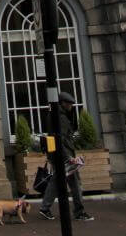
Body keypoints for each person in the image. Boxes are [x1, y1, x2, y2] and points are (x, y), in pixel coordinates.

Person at [38, 92, 94, 222]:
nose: (71, 106)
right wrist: (68, 157)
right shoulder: (60, 117)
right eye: (69, 104)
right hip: (64, 156)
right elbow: (61, 139)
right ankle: (79, 211)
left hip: (57, 155)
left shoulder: (53, 114)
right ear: (63, 103)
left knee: (56, 182)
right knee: (75, 184)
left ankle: (45, 208)